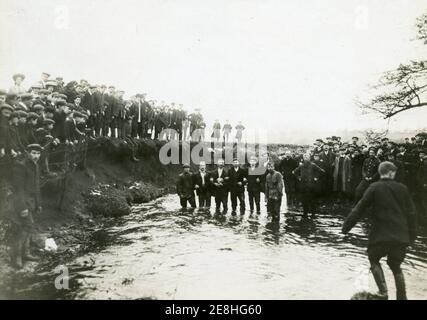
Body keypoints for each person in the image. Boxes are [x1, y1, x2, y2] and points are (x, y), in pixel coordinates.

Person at [342, 162, 417, 300]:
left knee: (374, 259)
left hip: (380, 235)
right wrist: (412, 237)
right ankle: (402, 297)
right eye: (394, 172)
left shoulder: (374, 187)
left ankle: (383, 292)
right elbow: (411, 214)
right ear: (390, 172)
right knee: (396, 266)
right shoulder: (403, 189)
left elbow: (359, 209)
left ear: (381, 172)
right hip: (400, 237)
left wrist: (346, 227)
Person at [10, 144, 44, 269]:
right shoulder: (21, 166)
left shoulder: (36, 166)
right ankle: (17, 257)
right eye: (33, 153)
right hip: (22, 201)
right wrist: (22, 207)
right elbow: (18, 189)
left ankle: (26, 253)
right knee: (24, 227)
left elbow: (37, 186)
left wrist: (38, 204)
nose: (36, 156)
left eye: (38, 153)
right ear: (28, 153)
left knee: (29, 226)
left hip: (32, 201)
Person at [292, 153, 325, 217]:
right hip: (303, 186)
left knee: (312, 200)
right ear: (303, 158)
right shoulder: (301, 166)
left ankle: (313, 214)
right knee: (304, 200)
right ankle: (305, 213)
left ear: (309, 158)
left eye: (307, 157)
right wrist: (298, 177)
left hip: (311, 186)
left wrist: (316, 178)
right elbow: (294, 172)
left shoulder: (313, 165)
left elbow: (321, 171)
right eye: (304, 157)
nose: (306, 158)